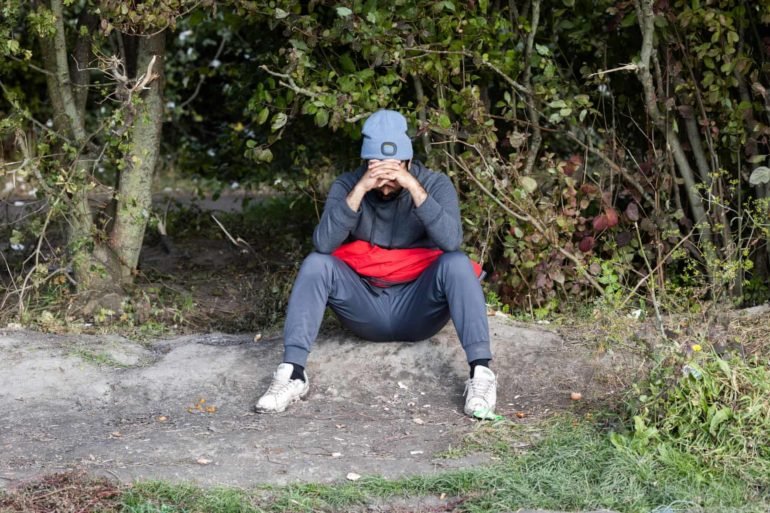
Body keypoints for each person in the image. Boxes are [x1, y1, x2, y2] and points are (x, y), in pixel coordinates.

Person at [255, 110, 497, 418]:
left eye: (393, 173)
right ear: (365, 163)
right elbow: (324, 244)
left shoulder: (434, 184)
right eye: (376, 170)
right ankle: (293, 373)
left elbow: (451, 241)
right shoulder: (348, 184)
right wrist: (360, 189)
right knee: (317, 263)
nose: (385, 184)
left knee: (457, 263)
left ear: (408, 161)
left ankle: (481, 373)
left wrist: (413, 187)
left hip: (419, 307)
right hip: (365, 305)